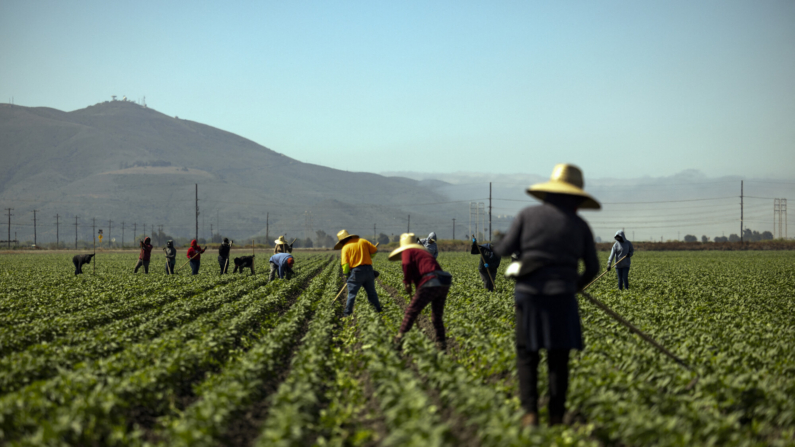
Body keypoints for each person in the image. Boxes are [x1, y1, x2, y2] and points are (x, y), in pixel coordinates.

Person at [494, 163, 600, 428]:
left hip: (529, 295)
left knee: (527, 353)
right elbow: (593, 268)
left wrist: (497, 240)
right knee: (558, 357)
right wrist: (574, 285)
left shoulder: (528, 215)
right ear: (575, 197)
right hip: (562, 297)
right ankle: (556, 416)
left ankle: (530, 413)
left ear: (549, 193)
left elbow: (505, 249)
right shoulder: (579, 225)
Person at [390, 233, 452, 351]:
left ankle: (398, 340)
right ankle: (441, 342)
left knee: (411, 310)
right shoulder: (424, 252)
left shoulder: (408, 251)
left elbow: (407, 264)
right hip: (443, 282)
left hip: (431, 282)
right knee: (436, 315)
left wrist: (407, 282)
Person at [335, 229, 381, 316]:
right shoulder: (363, 241)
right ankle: (378, 310)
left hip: (356, 272)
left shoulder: (345, 247)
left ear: (342, 240)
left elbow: (345, 265)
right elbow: (374, 251)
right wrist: (370, 256)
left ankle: (347, 313)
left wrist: (347, 275)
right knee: (372, 292)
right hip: (369, 270)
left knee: (352, 294)